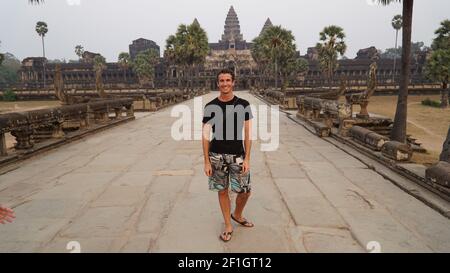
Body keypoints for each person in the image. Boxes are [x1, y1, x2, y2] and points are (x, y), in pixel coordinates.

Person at [202, 68, 254, 242]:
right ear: (218, 83)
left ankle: (237, 214)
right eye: (221, 81)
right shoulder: (211, 106)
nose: (224, 83)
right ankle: (228, 224)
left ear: (233, 82)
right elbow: (205, 135)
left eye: (227, 80)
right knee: (222, 191)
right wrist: (206, 161)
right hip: (216, 154)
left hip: (237, 154)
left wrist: (247, 158)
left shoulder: (243, 104)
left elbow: (248, 134)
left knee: (245, 190)